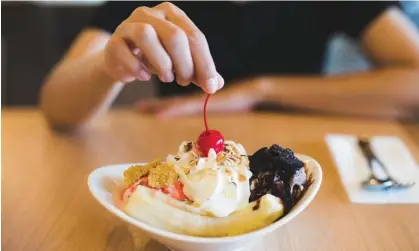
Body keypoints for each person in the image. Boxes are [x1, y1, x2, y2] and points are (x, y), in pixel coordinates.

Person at [39, 1, 419, 131]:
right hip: (177, 151)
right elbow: (57, 107)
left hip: (302, 152)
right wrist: (106, 69)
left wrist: (259, 90)